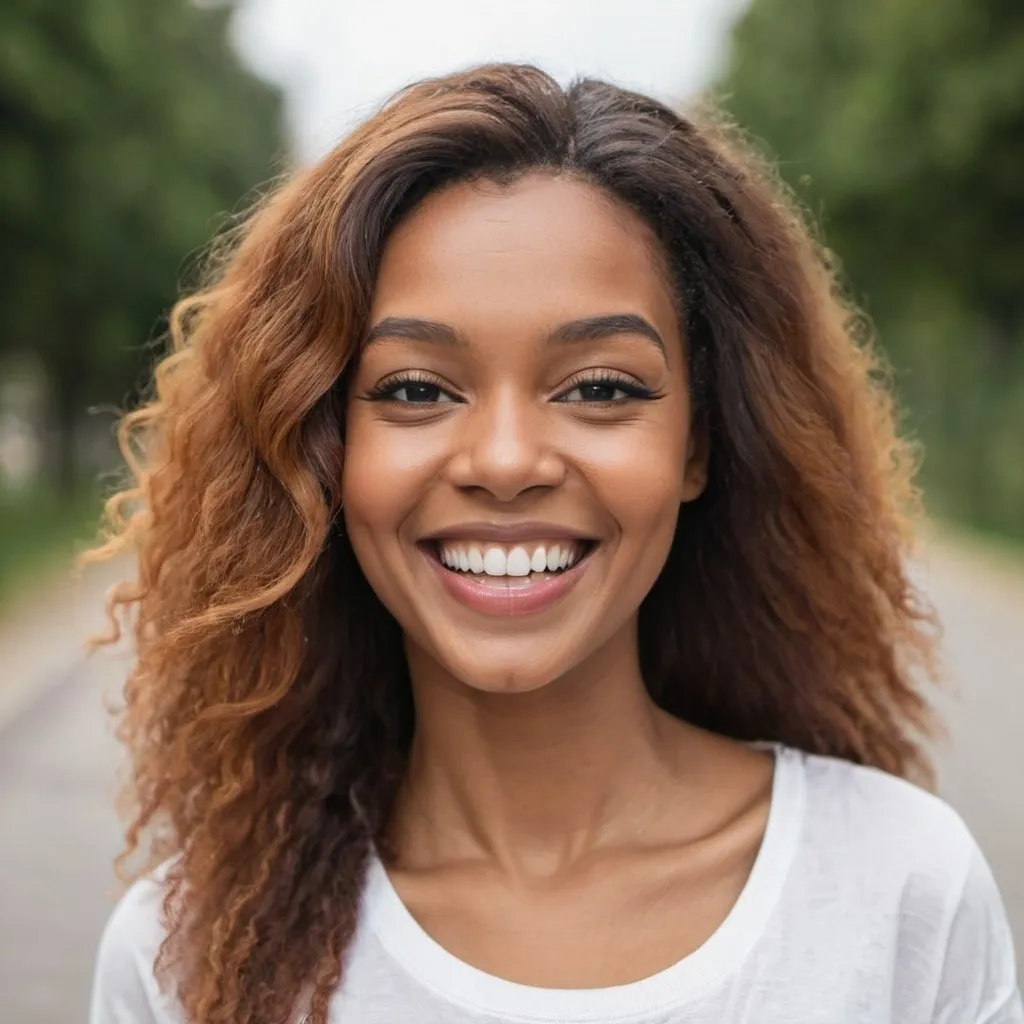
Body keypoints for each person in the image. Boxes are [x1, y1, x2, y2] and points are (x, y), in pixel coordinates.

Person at [85, 63, 1022, 1024]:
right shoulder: (187, 956)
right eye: (415, 389)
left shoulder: (901, 891)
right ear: (323, 452)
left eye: (601, 388)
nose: (504, 460)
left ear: (697, 444)